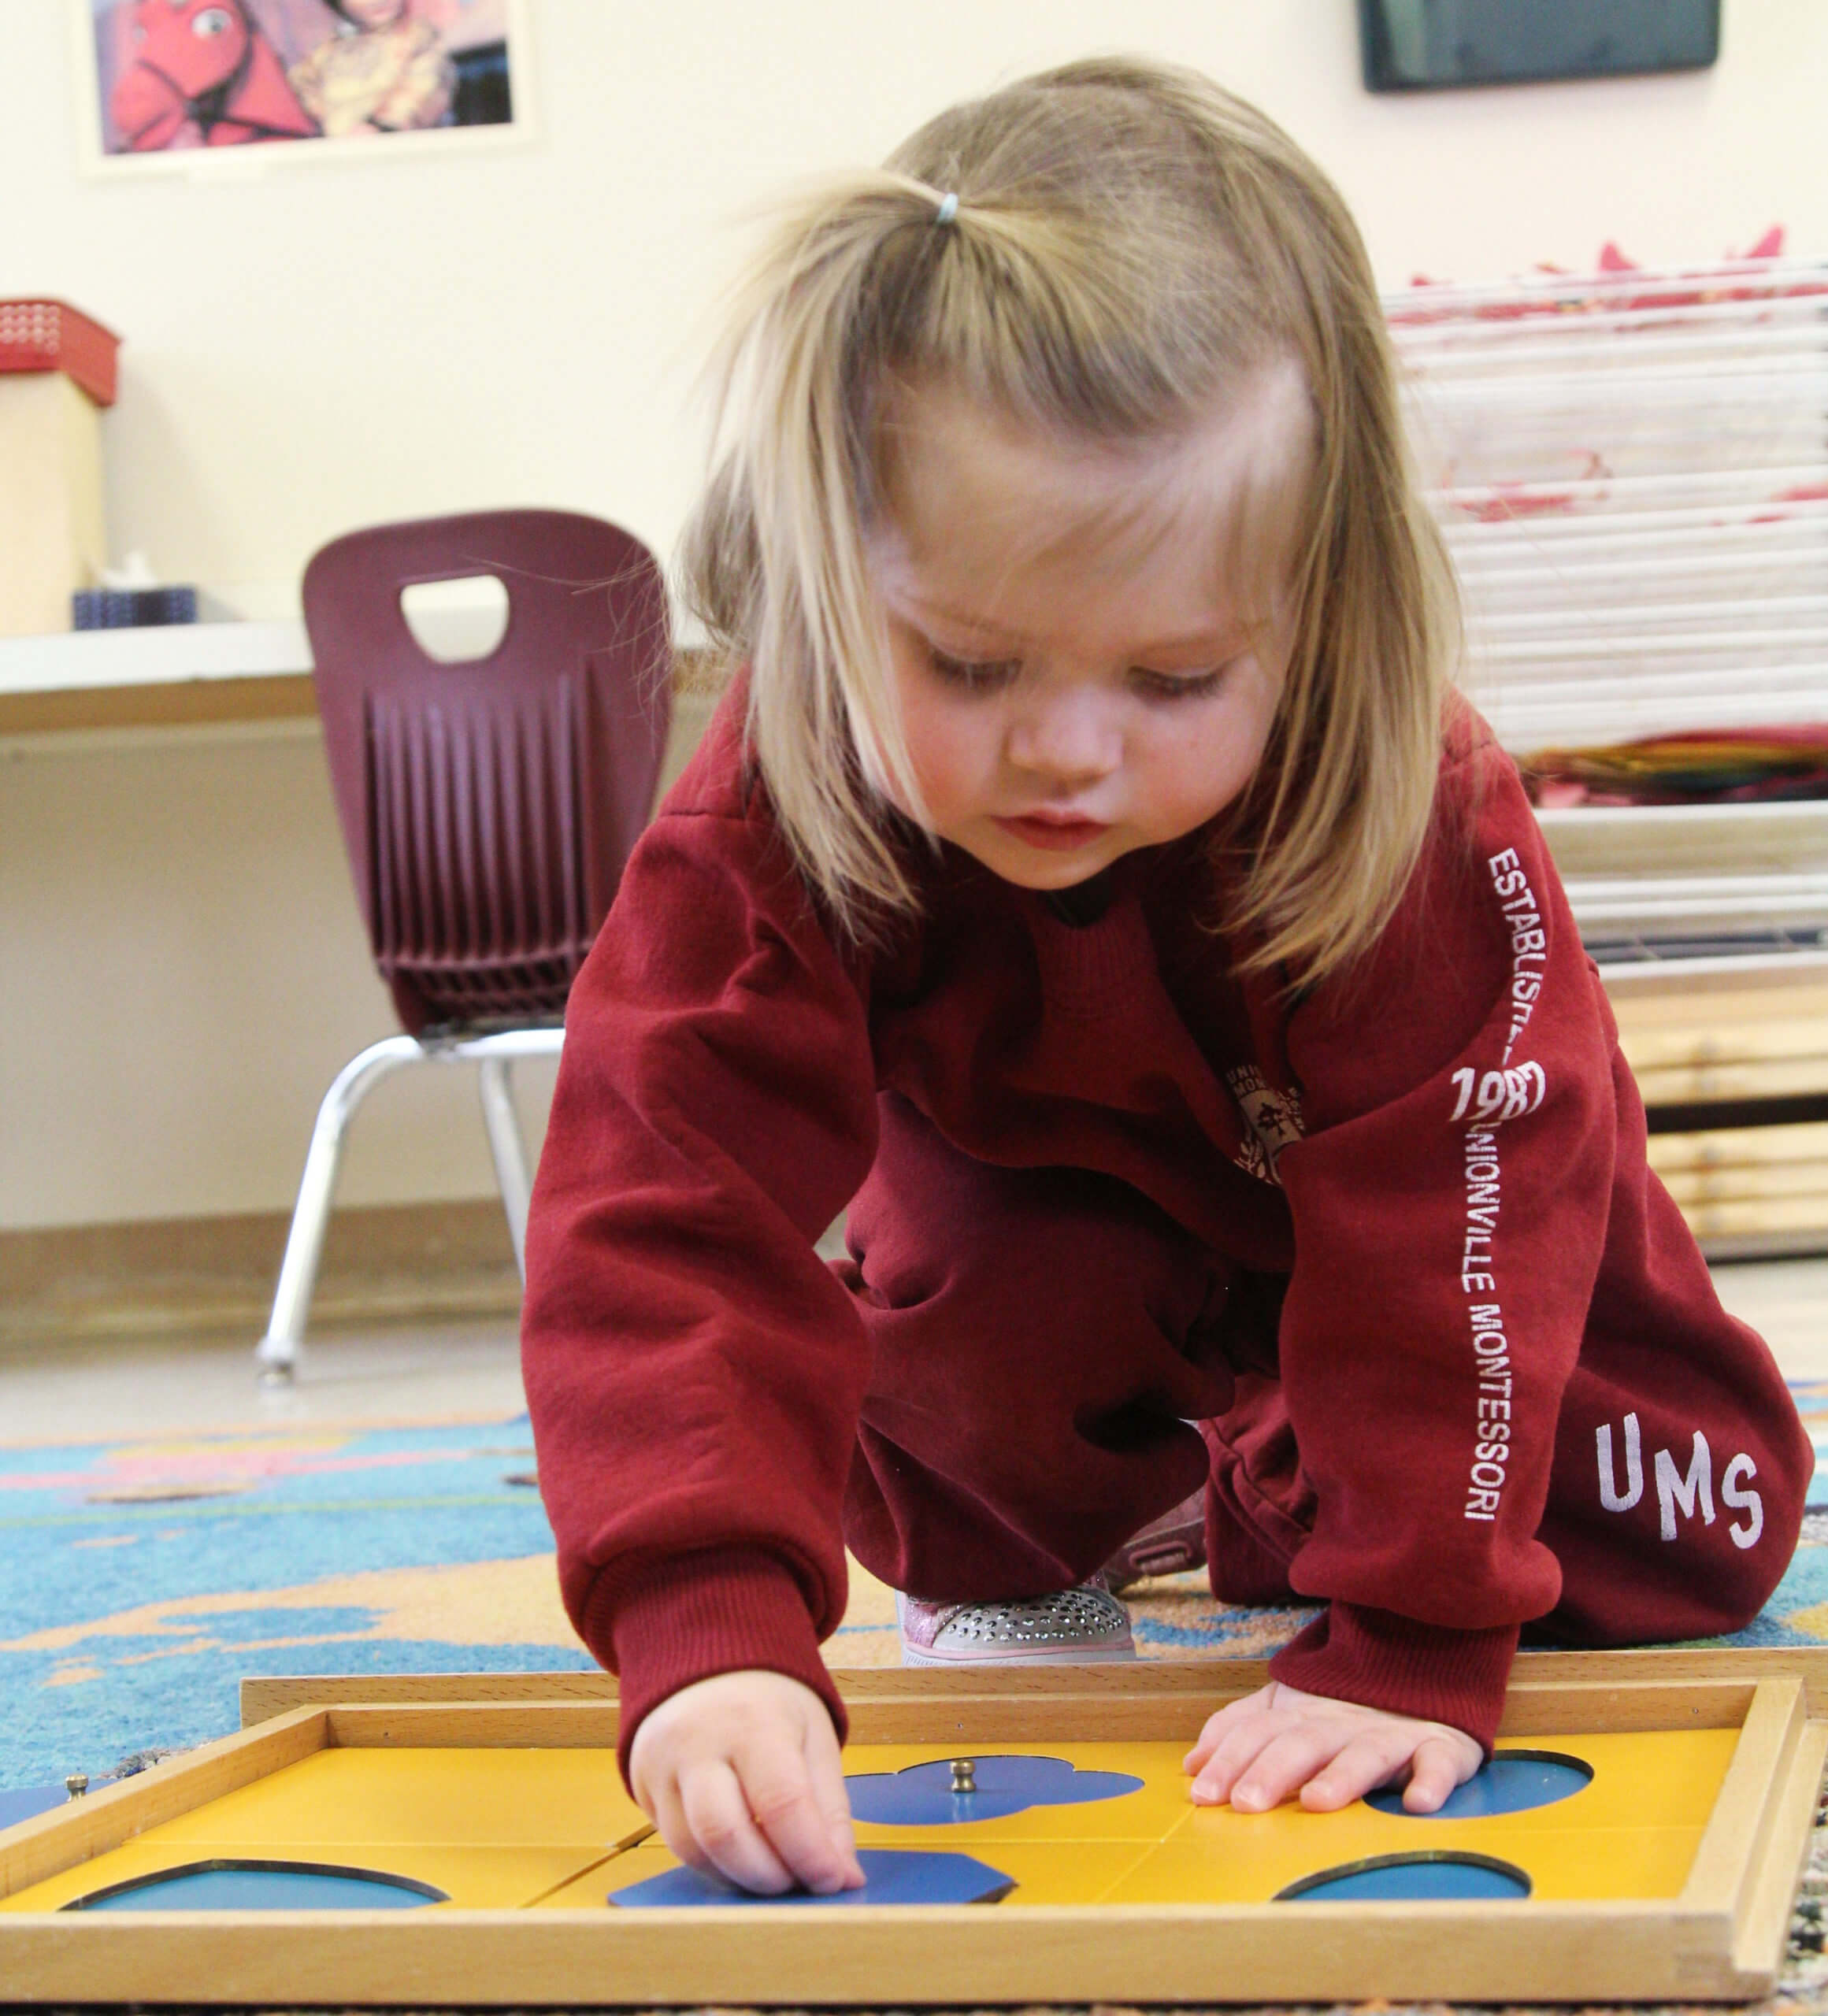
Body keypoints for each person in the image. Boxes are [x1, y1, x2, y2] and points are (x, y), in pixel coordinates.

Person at [521, 56, 1812, 1899]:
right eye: (966, 663)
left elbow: (1473, 1211)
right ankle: (1087, 1526)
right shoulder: (786, 796)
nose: (1066, 754)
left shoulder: (1413, 802)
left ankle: (1292, 1482)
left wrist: (1417, 1633)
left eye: (1175, 679)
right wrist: (704, 1617)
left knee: (1709, 1521)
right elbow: (661, 1204)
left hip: (1429, 1215)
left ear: (1317, 615)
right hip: (1058, 1237)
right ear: (831, 588)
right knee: (964, 1275)